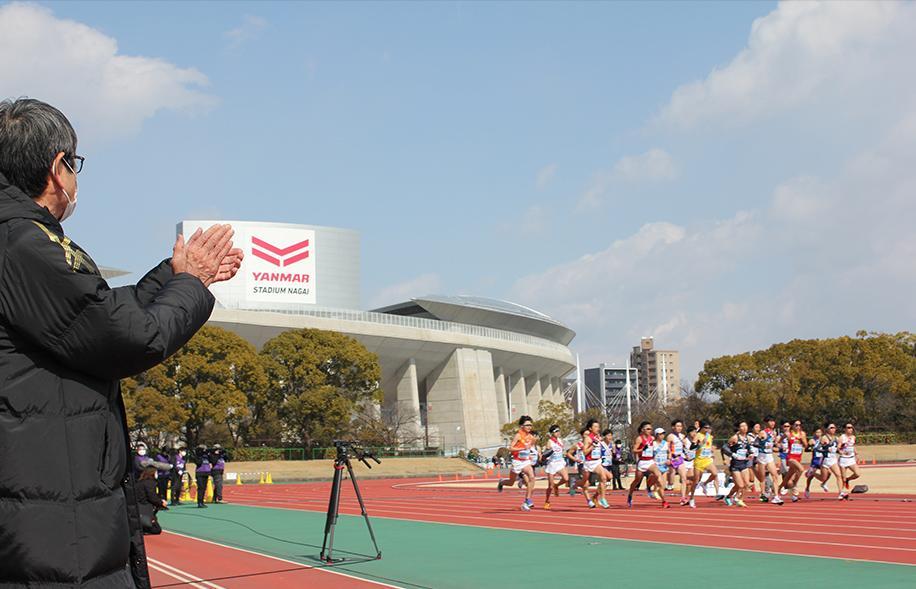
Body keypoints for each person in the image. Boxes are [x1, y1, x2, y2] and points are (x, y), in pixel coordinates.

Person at [0, 98, 243, 587]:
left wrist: (174, 277)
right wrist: (191, 285)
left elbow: (92, 312)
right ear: (56, 167)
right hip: (54, 523)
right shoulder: (25, 242)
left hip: (45, 506)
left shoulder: (22, 241)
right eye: (75, 164)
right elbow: (130, 338)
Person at [497, 416, 537, 511]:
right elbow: (510, 448)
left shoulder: (531, 437)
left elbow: (530, 447)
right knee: (511, 482)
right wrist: (522, 449)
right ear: (522, 426)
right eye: (527, 425)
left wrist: (530, 452)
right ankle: (502, 482)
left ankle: (527, 500)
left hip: (525, 461)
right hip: (517, 462)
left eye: (530, 425)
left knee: (532, 477)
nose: (529, 427)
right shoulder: (518, 435)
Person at [627, 422, 669, 509]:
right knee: (636, 481)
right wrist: (642, 449)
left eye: (651, 429)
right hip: (642, 462)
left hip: (650, 461)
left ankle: (664, 501)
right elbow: (634, 450)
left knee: (659, 477)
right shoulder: (639, 439)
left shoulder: (652, 438)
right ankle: (630, 495)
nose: (650, 431)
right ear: (643, 430)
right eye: (648, 429)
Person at [688, 420, 722, 506]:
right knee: (696, 481)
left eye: (709, 428)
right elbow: (691, 447)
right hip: (699, 460)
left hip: (707, 459)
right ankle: (691, 498)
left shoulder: (709, 436)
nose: (707, 429)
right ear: (702, 428)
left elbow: (708, 446)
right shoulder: (698, 435)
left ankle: (704, 483)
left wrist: (711, 450)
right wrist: (700, 444)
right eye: (705, 428)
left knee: (715, 473)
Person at [580, 419, 612, 509]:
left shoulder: (597, 436)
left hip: (597, 462)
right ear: (590, 428)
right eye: (595, 426)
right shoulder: (588, 438)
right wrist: (592, 446)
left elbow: (602, 445)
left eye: (598, 426)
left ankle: (602, 498)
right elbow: (585, 452)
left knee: (606, 477)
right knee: (585, 483)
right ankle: (574, 484)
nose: (598, 428)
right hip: (588, 463)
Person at [723, 420, 751, 507]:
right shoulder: (735, 437)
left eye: (745, 426)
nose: (744, 428)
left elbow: (748, 449)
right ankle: (728, 497)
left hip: (744, 463)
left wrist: (750, 454)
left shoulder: (748, 438)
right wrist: (732, 454)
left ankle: (740, 500)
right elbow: (724, 447)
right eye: (742, 426)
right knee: (740, 485)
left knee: (746, 484)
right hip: (735, 464)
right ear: (739, 428)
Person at [778, 420, 807, 502]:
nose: (798, 426)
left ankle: (778, 489)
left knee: (788, 479)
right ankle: (794, 486)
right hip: (790, 457)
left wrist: (802, 440)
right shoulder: (788, 434)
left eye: (799, 425)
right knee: (801, 469)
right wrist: (781, 447)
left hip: (798, 457)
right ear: (792, 426)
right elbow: (778, 441)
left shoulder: (802, 434)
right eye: (796, 425)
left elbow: (806, 445)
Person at [757, 416, 783, 504]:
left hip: (769, 456)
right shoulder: (762, 432)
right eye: (770, 421)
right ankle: (763, 494)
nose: (772, 423)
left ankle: (776, 496)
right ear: (766, 423)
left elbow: (774, 444)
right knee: (762, 478)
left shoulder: (774, 432)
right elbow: (755, 443)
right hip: (762, 456)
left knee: (775, 476)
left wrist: (778, 447)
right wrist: (762, 444)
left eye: (773, 421)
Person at [543, 425, 569, 509]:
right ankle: (547, 501)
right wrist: (548, 450)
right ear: (552, 433)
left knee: (566, 478)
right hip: (552, 464)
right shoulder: (549, 441)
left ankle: (556, 486)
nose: (558, 432)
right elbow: (546, 452)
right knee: (550, 486)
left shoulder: (560, 440)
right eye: (556, 431)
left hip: (560, 462)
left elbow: (562, 450)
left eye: (559, 431)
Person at [136, 466, 167, 535]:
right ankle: (148, 525)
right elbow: (152, 497)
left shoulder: (139, 482)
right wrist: (161, 502)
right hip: (145, 507)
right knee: (157, 530)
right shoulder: (150, 483)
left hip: (139, 506)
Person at [804, 426, 830, 498]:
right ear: (814, 433)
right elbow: (806, 449)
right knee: (810, 477)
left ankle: (824, 483)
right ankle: (807, 488)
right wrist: (811, 448)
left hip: (822, 459)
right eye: (817, 432)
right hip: (815, 460)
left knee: (829, 473)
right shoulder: (812, 440)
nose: (818, 434)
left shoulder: (824, 439)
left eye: (819, 432)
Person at [667, 420, 689, 504]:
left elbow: (685, 448)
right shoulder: (670, 436)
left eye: (680, 426)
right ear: (673, 427)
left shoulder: (683, 436)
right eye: (677, 426)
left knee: (684, 478)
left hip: (680, 459)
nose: (679, 428)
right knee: (671, 482)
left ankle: (683, 498)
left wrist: (685, 447)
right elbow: (668, 448)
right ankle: (662, 486)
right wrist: (670, 457)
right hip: (673, 458)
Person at [837, 423, 861, 500]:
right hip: (843, 459)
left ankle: (848, 479)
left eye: (851, 428)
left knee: (857, 474)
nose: (850, 429)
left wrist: (856, 455)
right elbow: (838, 447)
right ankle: (841, 493)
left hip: (851, 459)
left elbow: (852, 446)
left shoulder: (853, 437)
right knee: (842, 478)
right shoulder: (842, 437)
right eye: (848, 428)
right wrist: (841, 452)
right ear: (845, 429)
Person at [821, 422, 843, 495]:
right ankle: (815, 475)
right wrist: (826, 448)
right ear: (827, 429)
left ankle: (841, 493)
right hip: (825, 460)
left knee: (838, 475)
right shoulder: (824, 438)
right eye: (831, 428)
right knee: (823, 478)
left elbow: (837, 449)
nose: (833, 429)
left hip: (833, 460)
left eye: (834, 428)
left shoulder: (836, 438)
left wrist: (840, 451)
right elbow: (821, 448)